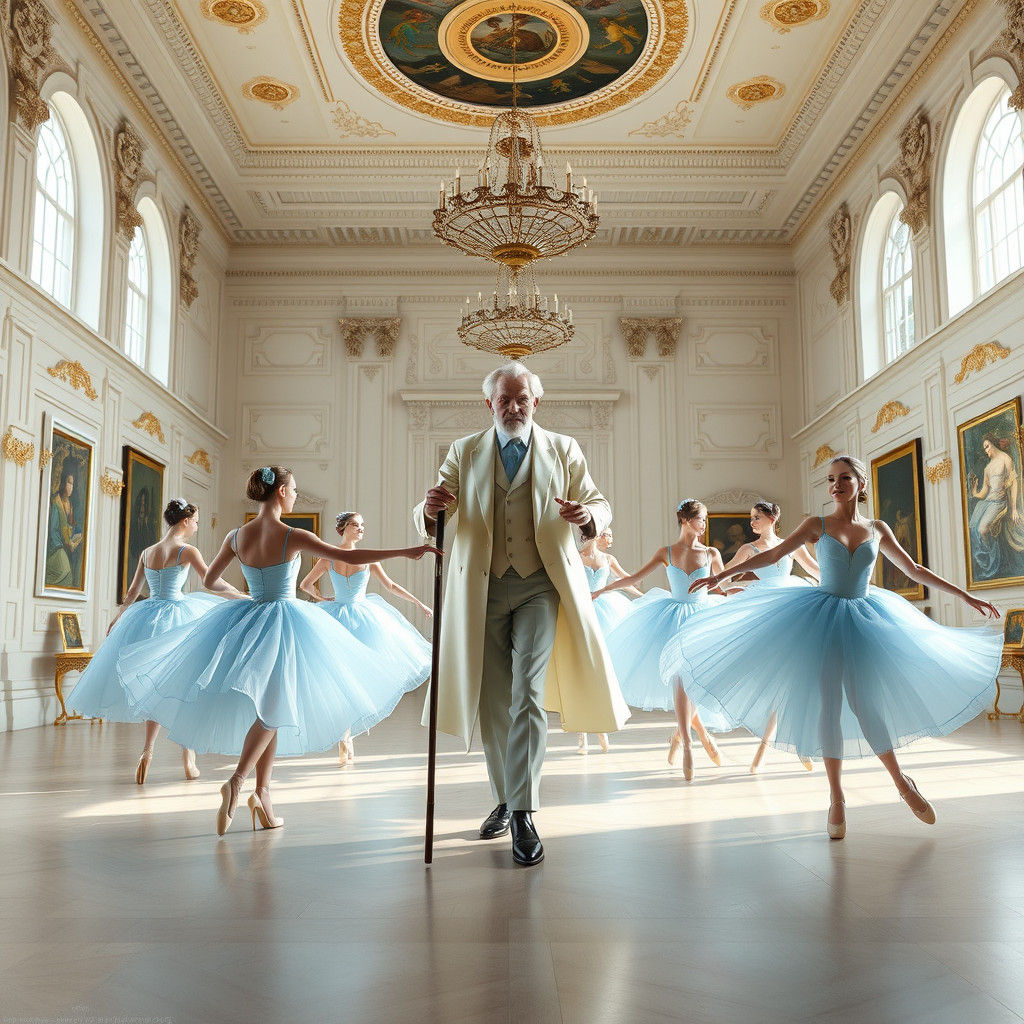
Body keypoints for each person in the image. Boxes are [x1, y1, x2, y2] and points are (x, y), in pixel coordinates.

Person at [675, 455, 1001, 839]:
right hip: (821, 619)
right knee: (829, 704)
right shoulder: (816, 525)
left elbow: (914, 569)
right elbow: (774, 555)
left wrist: (965, 595)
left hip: (865, 619)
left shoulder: (877, 528)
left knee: (866, 705)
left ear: (860, 483)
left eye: (844, 478)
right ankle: (836, 797)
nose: (835, 484)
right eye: (831, 479)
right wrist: (723, 575)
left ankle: (902, 783)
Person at [118, 467, 438, 835]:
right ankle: (238, 781)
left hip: (250, 617)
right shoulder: (292, 534)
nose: (297, 496)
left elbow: (207, 580)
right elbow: (348, 554)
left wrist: (243, 595)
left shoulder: (237, 536)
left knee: (272, 707)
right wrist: (406, 551)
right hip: (285, 621)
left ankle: (263, 796)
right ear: (282, 491)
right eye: (295, 490)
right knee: (273, 709)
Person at [414, 362, 629, 867]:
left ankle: (525, 812)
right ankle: (507, 796)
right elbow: (434, 509)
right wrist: (428, 508)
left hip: (540, 585)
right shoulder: (464, 452)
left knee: (527, 693)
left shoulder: (564, 449)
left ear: (537, 401)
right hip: (480, 588)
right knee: (492, 705)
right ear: (489, 404)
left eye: (523, 399)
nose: (514, 408)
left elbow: (599, 501)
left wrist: (587, 515)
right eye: (504, 400)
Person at [70, 499, 243, 783]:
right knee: (183, 683)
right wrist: (239, 594)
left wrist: (119, 616)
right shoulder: (187, 551)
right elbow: (211, 581)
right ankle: (188, 756)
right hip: (177, 617)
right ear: (185, 521)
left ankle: (147, 752)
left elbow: (133, 591)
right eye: (196, 520)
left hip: (147, 615)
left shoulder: (148, 552)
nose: (197, 525)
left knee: (154, 686)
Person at [595, 499, 734, 780]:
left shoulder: (711, 553)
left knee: (697, 682)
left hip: (703, 618)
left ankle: (684, 737)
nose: (704, 525)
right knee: (681, 681)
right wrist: (602, 590)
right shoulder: (666, 552)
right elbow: (634, 577)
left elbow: (726, 587)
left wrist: (754, 591)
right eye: (701, 520)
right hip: (672, 619)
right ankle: (690, 745)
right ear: (685, 520)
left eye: (706, 520)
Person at [299, 510, 432, 767]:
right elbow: (305, 584)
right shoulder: (340, 556)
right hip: (354, 618)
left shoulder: (330, 557)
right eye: (355, 525)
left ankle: (345, 734)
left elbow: (306, 585)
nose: (360, 529)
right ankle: (346, 735)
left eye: (362, 525)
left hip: (344, 615)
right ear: (343, 529)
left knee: (350, 678)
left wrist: (419, 603)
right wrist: (322, 598)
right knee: (346, 678)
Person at [713, 501, 820, 774]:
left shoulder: (792, 545)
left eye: (756, 518)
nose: (752, 523)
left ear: (772, 518)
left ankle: (783, 746)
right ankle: (769, 747)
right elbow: (725, 576)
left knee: (793, 679)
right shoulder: (748, 548)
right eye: (751, 518)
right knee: (776, 681)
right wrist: (737, 589)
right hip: (764, 613)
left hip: (792, 610)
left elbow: (816, 570)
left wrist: (842, 581)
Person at [575, 526, 641, 754]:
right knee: (582, 670)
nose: (611, 538)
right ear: (598, 534)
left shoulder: (608, 559)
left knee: (601, 670)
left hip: (604, 612)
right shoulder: (575, 556)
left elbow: (627, 581)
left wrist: (644, 597)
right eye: (608, 534)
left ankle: (599, 726)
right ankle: (583, 733)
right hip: (581, 611)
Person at [968, 433, 1024, 581]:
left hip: (999, 503)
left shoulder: (1005, 459)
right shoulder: (987, 468)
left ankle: (994, 558)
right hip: (987, 502)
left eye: (987, 446)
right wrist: (975, 492)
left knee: (982, 529)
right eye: (984, 448)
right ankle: (986, 559)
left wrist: (1013, 509)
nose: (986, 451)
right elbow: (985, 492)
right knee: (973, 529)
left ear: (993, 443)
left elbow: (1014, 483)